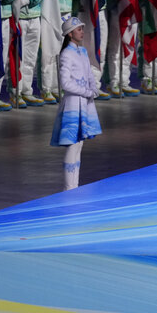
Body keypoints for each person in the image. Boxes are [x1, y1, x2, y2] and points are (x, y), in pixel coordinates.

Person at [50, 16, 102, 191]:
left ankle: (75, 185)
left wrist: (94, 88)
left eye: (82, 28)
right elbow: (65, 83)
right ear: (70, 34)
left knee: (79, 144)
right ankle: (69, 188)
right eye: (79, 29)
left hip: (85, 104)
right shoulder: (67, 54)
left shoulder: (83, 52)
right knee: (73, 145)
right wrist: (86, 92)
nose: (82, 32)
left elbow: (88, 75)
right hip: (73, 104)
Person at [12, 0, 47, 106]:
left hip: (34, 16)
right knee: (18, 56)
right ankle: (15, 91)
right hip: (18, 18)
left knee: (31, 57)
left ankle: (27, 91)